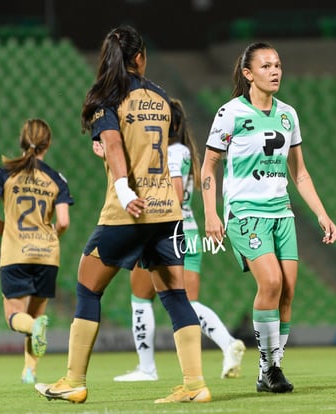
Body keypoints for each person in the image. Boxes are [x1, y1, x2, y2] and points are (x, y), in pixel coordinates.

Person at [34, 24, 211, 404]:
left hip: (130, 211)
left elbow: (115, 142)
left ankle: (74, 380)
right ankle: (195, 385)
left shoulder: (106, 97)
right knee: (175, 295)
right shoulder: (162, 98)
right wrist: (110, 152)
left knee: (87, 286)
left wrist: (123, 186)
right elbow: (139, 145)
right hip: (169, 211)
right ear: (141, 57)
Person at [200, 41, 336, 394]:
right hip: (245, 211)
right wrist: (211, 213)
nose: (275, 71)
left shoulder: (288, 114)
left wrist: (322, 213)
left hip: (281, 212)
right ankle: (269, 368)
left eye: (277, 64)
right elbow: (210, 165)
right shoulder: (230, 113)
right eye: (265, 66)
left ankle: (270, 370)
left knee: (288, 291)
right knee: (272, 283)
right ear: (248, 74)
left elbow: (300, 173)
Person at [109, 98, 245, 383]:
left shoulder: (170, 152)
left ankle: (146, 368)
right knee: (186, 303)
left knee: (141, 298)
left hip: (166, 231)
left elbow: (175, 192)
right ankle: (227, 343)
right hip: (189, 232)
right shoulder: (185, 152)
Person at [0, 118, 74, 384]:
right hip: (47, 255)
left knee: (15, 314)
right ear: (47, 144)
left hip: (15, 251)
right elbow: (63, 221)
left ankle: (33, 331)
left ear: (22, 141)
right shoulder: (56, 179)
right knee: (36, 312)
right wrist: (51, 237)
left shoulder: (5, 173)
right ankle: (30, 372)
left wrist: (2, 226)